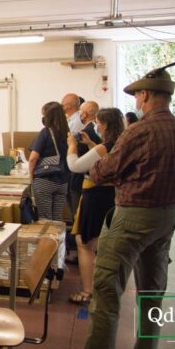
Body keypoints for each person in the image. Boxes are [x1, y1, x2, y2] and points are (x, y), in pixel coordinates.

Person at [82, 61, 175, 349]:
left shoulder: (138, 131)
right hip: (167, 219)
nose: (136, 100)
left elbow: (102, 172)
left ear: (145, 95)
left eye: (137, 95)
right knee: (152, 297)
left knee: (107, 294)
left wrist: (98, 165)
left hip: (132, 218)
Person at [65, 108, 124, 305]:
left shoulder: (104, 147)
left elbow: (75, 166)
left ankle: (87, 290)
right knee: (98, 241)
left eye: (98, 122)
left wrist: (72, 146)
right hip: (109, 196)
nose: (96, 126)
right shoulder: (119, 144)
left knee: (84, 242)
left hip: (95, 196)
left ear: (105, 125)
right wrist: (90, 143)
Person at [27, 102, 70, 221]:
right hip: (63, 182)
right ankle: (59, 234)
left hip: (45, 180)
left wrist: (31, 176)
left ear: (48, 116)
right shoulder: (68, 133)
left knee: (45, 218)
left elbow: (33, 158)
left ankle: (47, 235)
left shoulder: (46, 132)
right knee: (57, 217)